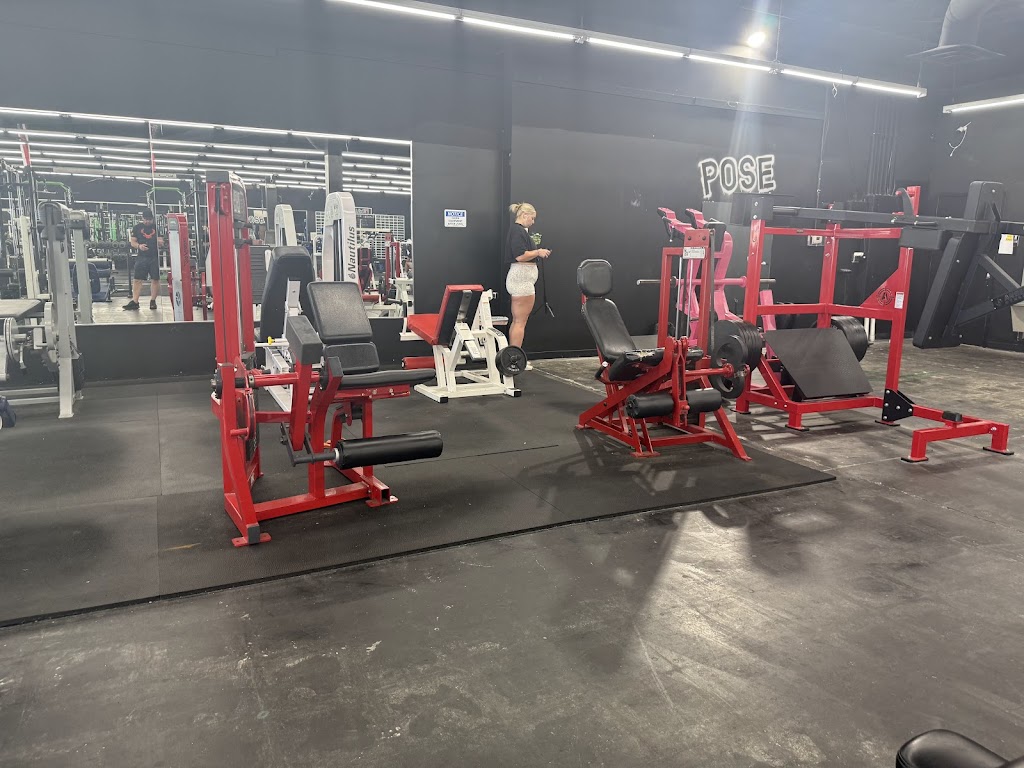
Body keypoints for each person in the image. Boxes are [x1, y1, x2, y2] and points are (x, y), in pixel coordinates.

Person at [505, 202, 550, 348]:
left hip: (521, 280)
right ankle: (515, 355)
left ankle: (513, 353)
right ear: (524, 215)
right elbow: (520, 256)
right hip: (522, 281)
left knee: (518, 321)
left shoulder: (519, 231)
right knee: (520, 322)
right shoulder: (518, 231)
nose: (533, 221)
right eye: (532, 218)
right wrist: (538, 252)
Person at [124, 209, 163, 310]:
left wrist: (159, 242)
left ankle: (153, 301)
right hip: (142, 257)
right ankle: (135, 301)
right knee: (137, 279)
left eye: (149, 219)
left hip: (154, 257)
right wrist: (139, 246)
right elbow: (133, 242)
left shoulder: (156, 228)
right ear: (142, 218)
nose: (147, 221)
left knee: (155, 279)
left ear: (152, 219)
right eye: (145, 219)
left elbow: (161, 241)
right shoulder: (137, 228)